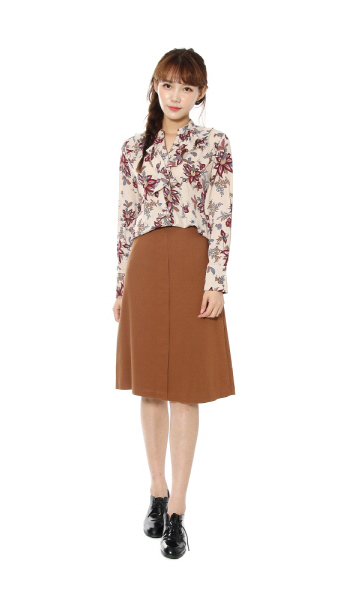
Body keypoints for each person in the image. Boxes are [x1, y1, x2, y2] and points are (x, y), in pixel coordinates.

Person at [112, 48, 235, 559]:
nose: (176, 95)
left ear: (201, 92)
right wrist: (120, 285)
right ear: (155, 87)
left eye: (187, 86)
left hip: (191, 263)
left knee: (185, 389)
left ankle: (179, 512)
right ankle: (157, 491)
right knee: (150, 387)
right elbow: (126, 218)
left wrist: (216, 281)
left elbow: (222, 212)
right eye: (168, 84)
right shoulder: (132, 148)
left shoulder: (215, 144)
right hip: (144, 265)